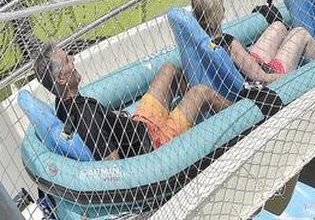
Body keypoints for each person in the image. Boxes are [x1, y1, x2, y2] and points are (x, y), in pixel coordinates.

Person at [33, 42, 230, 160]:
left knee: (169, 69)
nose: (73, 58)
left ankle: (190, 119)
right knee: (201, 92)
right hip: (154, 143)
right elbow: (112, 164)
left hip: (141, 125)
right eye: (67, 61)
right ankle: (238, 110)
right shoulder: (86, 116)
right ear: (61, 78)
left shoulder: (62, 104)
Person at [190, 0, 315, 84]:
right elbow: (263, 78)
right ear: (219, 10)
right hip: (267, 72)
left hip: (252, 62)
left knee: (278, 26)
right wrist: (296, 76)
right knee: (300, 33)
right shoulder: (228, 43)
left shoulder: (198, 39)